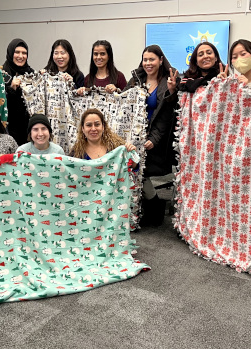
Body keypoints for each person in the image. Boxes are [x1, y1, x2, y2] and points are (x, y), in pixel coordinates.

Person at [125, 44, 179, 226]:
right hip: (134, 137)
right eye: (145, 59)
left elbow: (165, 118)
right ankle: (140, 207)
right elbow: (123, 104)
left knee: (141, 170)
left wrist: (153, 140)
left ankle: (155, 205)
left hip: (157, 143)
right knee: (128, 166)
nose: (148, 63)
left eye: (152, 59)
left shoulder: (167, 82)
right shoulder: (135, 80)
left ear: (161, 60)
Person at [3, 38, 35, 146]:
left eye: (24, 53)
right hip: (9, 130)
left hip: (28, 129)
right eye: (17, 52)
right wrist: (11, 89)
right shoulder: (1, 75)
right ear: (11, 52)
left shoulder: (31, 73)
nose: (20, 56)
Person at [69, 108, 135, 159]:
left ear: (103, 127)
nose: (93, 129)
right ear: (83, 129)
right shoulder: (76, 152)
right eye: (89, 125)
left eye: (97, 124)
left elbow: (132, 166)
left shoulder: (117, 146)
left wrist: (132, 153)